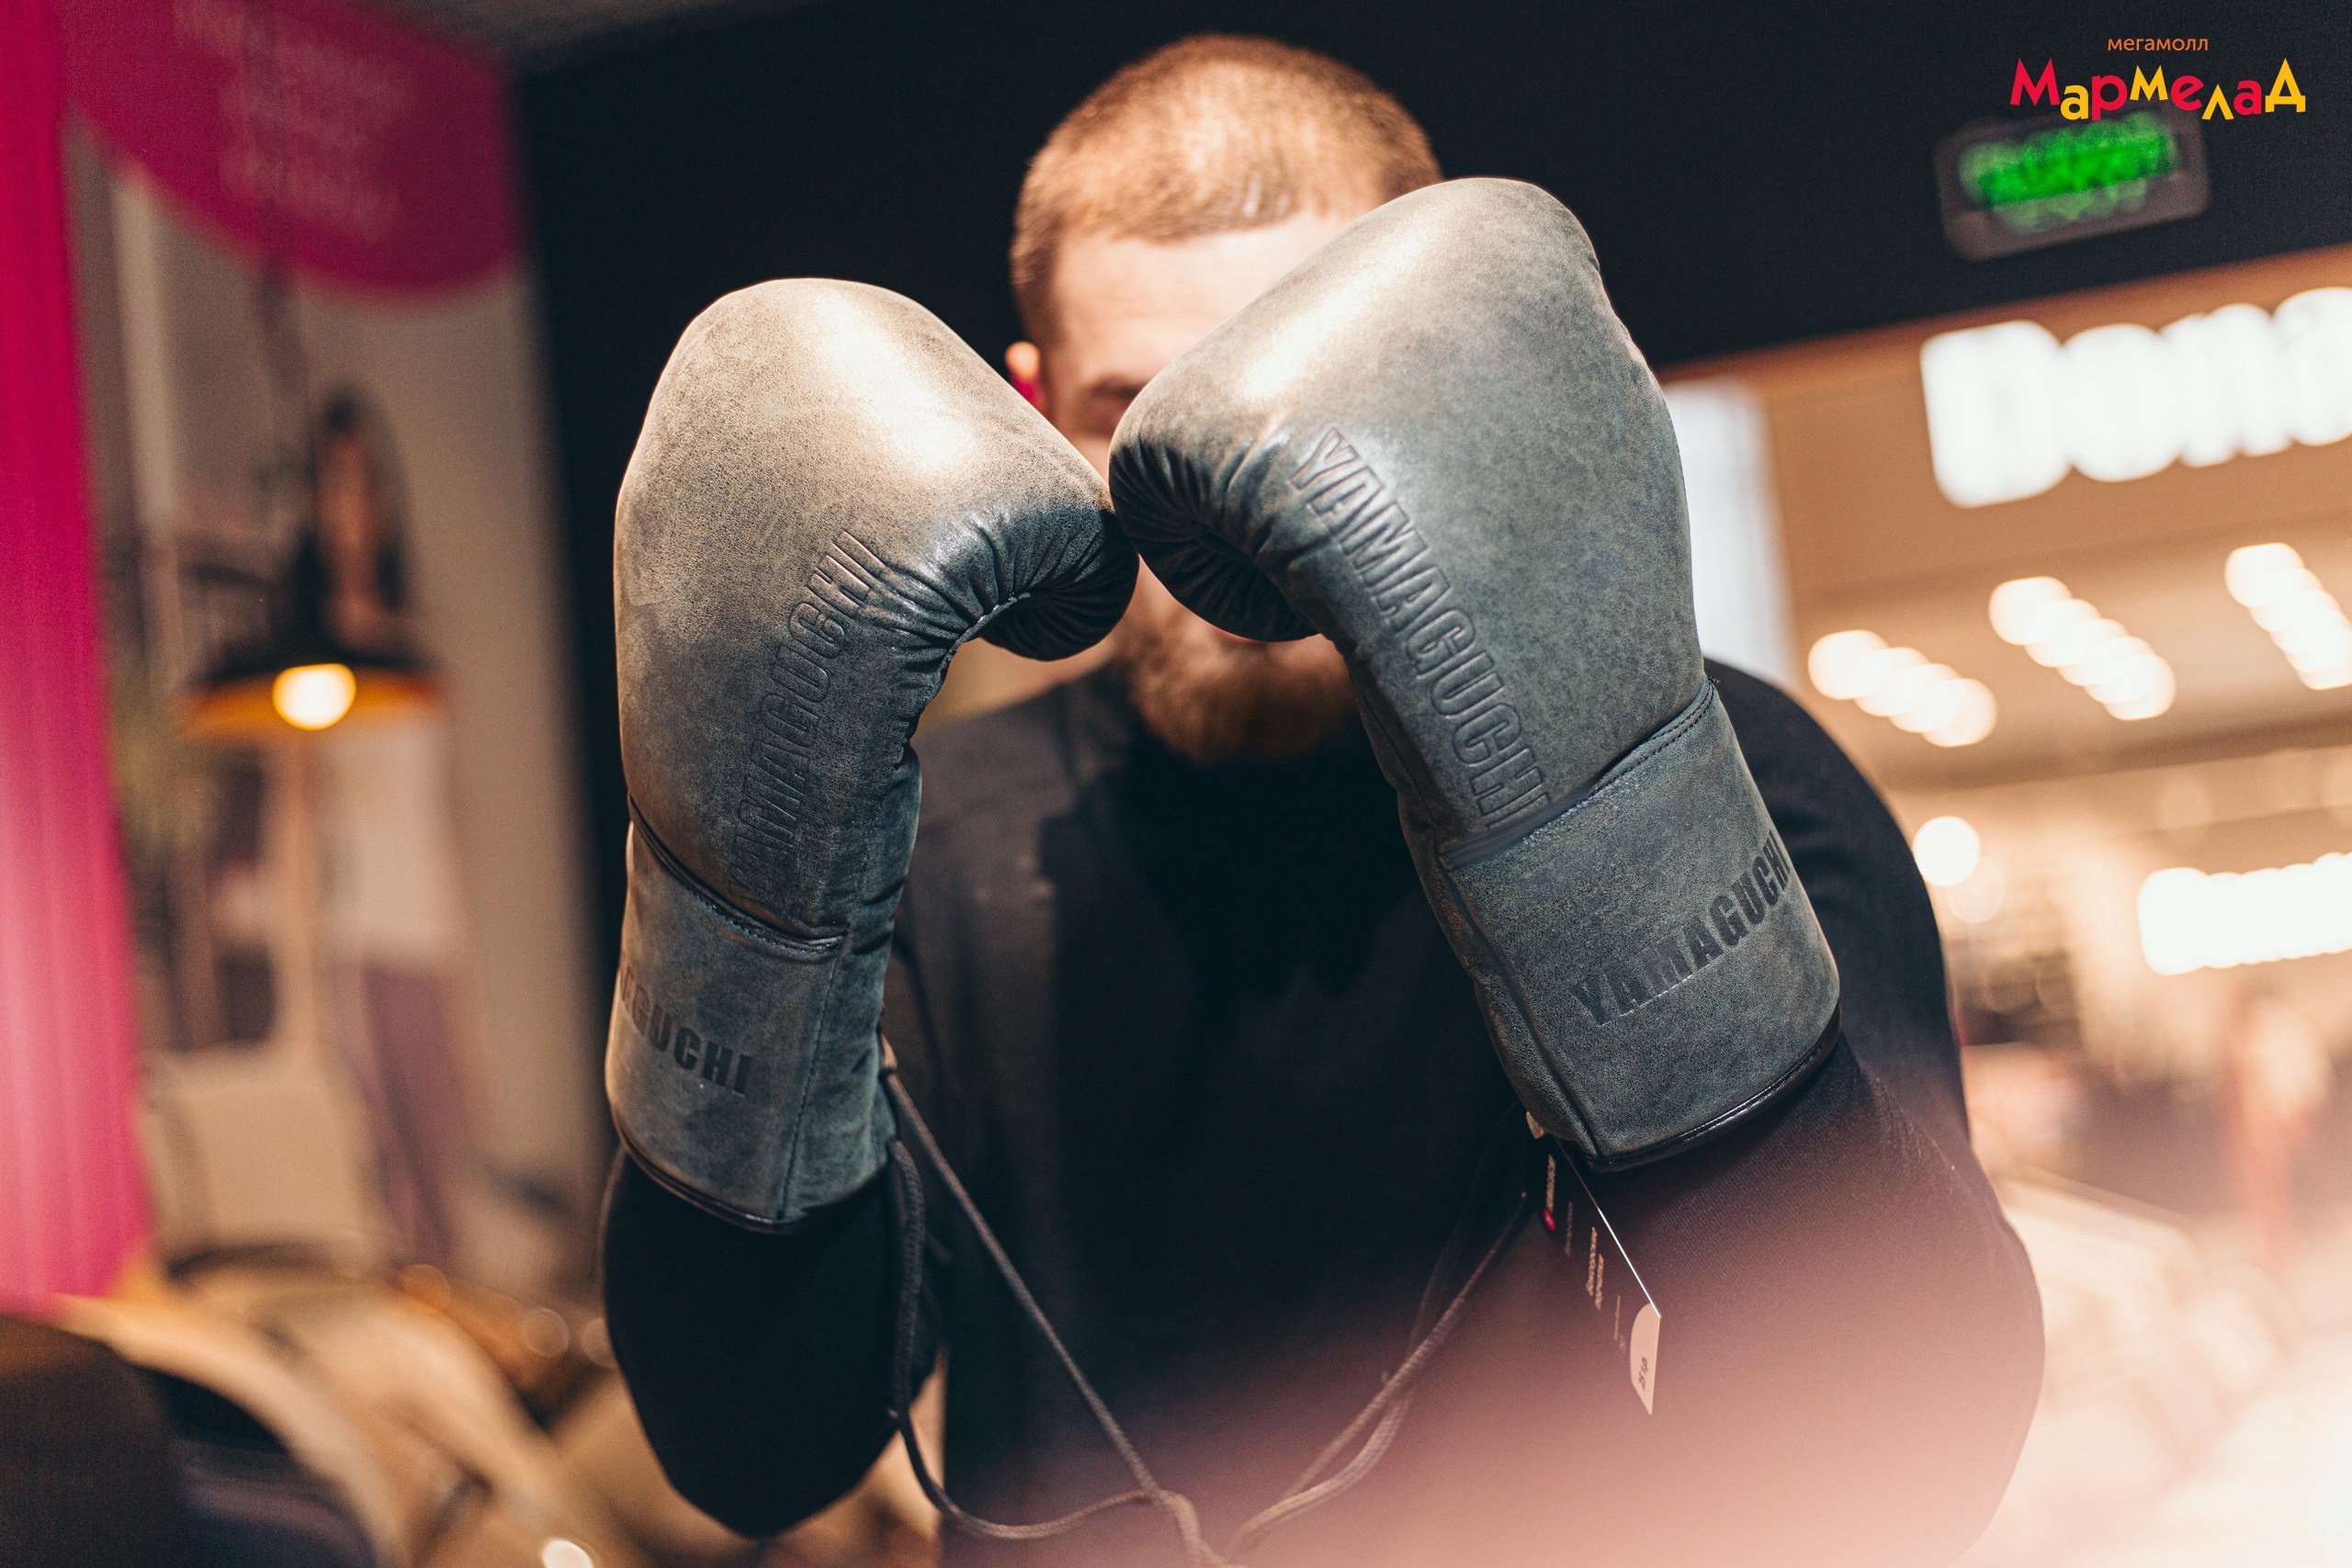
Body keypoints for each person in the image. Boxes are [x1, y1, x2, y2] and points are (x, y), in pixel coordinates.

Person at [601, 37, 2042, 1566]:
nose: (1215, 494)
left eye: (1287, 405)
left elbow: (1917, 1435)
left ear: (1443, 389)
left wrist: (1612, 834)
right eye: (1131, 414)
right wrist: (738, 910)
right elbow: (752, 1447)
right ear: (1027, 417)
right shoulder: (935, 847)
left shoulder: (1732, 776)